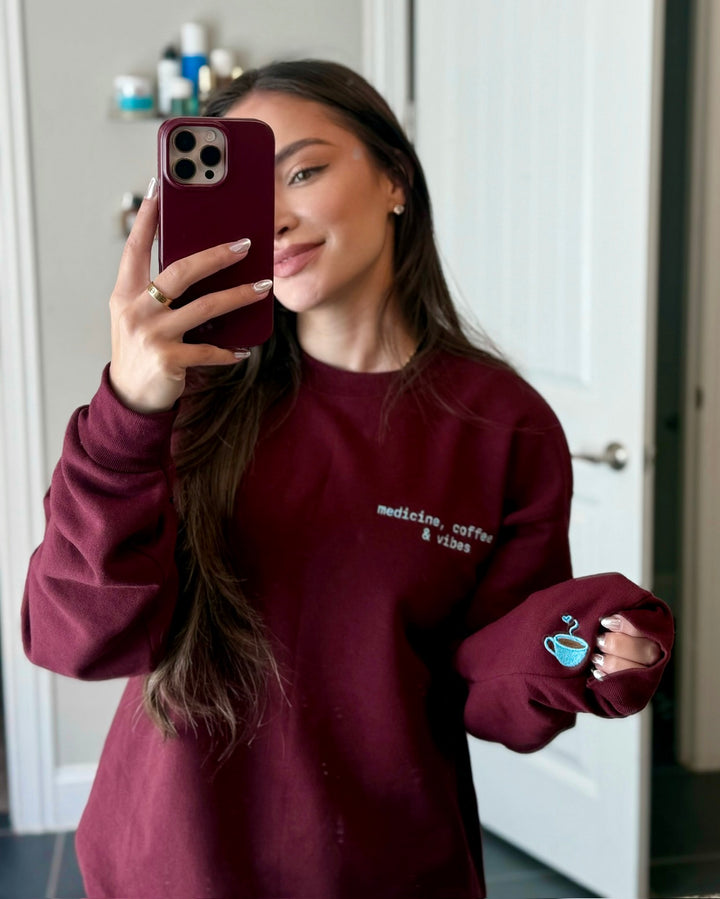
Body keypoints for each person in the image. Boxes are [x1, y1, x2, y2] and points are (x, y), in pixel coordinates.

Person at [22, 60, 674, 899]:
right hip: (175, 865)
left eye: (303, 172)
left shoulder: (503, 424)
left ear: (395, 179)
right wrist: (129, 408)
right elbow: (73, 638)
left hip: (387, 867)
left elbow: (487, 676)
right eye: (249, 191)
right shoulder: (182, 397)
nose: (274, 217)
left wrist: (583, 645)